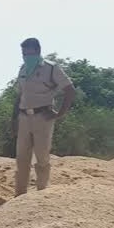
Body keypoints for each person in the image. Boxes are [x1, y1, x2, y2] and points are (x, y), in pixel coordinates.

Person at [12, 37, 75, 197]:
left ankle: (42, 195)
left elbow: (69, 90)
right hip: (24, 117)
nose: (26, 56)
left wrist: (60, 113)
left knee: (42, 158)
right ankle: (20, 196)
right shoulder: (23, 69)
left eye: (29, 53)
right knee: (21, 159)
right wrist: (14, 118)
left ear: (38, 51)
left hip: (43, 118)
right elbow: (19, 95)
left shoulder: (51, 68)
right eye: (23, 53)